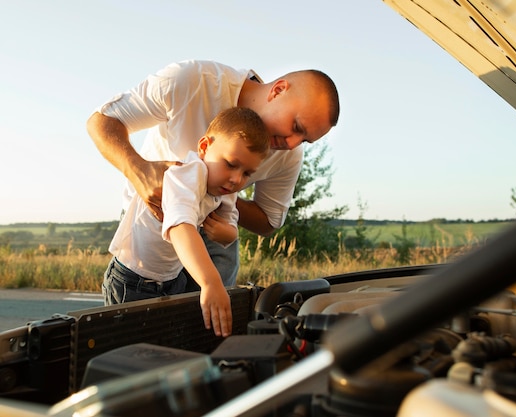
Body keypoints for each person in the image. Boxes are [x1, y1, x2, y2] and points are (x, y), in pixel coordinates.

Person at [87, 59, 340, 286]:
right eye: (296, 127)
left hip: (214, 235)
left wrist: (216, 197)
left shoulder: (289, 155)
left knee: (210, 326)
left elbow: (269, 220)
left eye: (304, 140)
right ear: (278, 90)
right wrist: (139, 171)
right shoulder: (192, 80)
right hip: (151, 223)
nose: (293, 143)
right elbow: (102, 121)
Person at [103, 107, 270, 337]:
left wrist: (228, 233)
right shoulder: (188, 174)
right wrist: (211, 282)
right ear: (204, 147)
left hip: (172, 279)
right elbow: (180, 228)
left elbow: (231, 221)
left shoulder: (226, 188)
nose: (236, 179)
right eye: (231, 164)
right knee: (128, 350)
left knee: (164, 346)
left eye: (247, 173)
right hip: (133, 278)